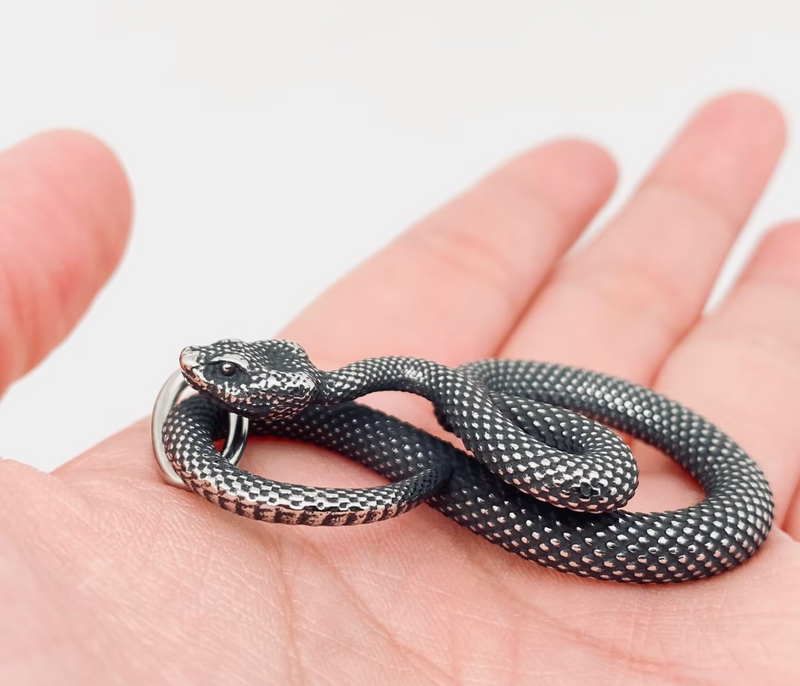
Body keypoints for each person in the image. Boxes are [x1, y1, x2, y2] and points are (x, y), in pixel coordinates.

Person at [2, 93, 799, 684]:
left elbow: (605, 481)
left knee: (531, 435)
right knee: (470, 409)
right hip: (451, 411)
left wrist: (446, 452)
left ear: (284, 391)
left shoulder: (439, 392)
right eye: (226, 375)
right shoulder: (388, 393)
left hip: (593, 463)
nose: (212, 375)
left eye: (234, 376)